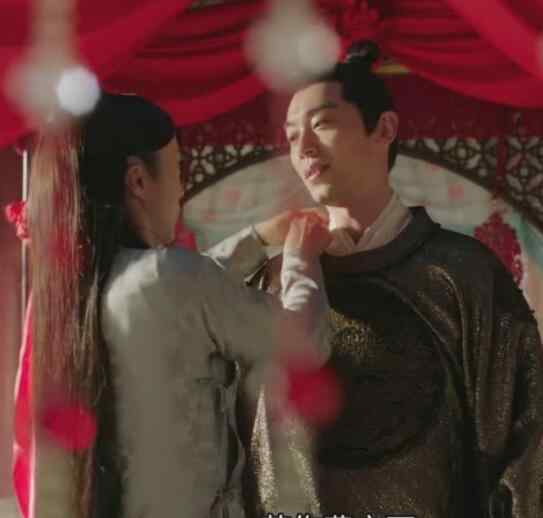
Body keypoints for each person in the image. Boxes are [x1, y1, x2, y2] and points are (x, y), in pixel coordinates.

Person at [219, 41, 543, 518]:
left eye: (322, 124)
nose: (303, 149)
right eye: (291, 136)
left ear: (385, 128)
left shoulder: (463, 274)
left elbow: (526, 439)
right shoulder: (270, 281)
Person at [25, 92, 331, 518]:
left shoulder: (84, 290)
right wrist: (301, 257)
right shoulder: (168, 278)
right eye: (177, 170)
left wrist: (259, 238)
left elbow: (190, 291)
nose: (183, 188)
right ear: (138, 181)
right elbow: (304, 341)